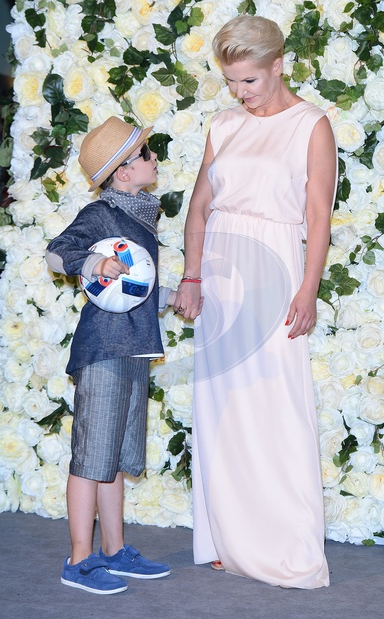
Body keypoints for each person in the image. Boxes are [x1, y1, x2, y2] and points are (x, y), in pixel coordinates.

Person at [174, 15, 337, 588]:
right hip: (220, 276)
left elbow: (318, 216)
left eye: (249, 80)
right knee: (223, 410)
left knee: (275, 408)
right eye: (231, 82)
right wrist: (192, 276)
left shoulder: (311, 125)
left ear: (278, 65)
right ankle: (228, 539)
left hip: (275, 273)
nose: (240, 92)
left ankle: (287, 547)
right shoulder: (223, 124)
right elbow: (199, 207)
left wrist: (308, 289)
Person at [45, 116, 175, 594]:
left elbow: (133, 289)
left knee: (114, 456)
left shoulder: (141, 214)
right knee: (91, 456)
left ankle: (114, 550)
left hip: (134, 348)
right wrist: (93, 261)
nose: (154, 158)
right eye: (146, 152)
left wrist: (170, 296)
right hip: (103, 349)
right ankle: (79, 560)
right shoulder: (101, 214)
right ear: (123, 171)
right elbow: (56, 254)